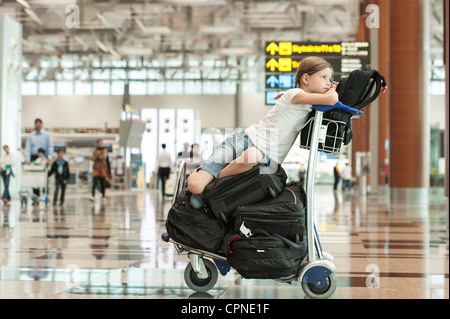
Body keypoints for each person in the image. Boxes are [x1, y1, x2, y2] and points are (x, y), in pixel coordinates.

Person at [187, 56, 339, 207]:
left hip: (265, 160)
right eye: (324, 77)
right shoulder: (295, 94)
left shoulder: (306, 103)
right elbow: (332, 99)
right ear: (306, 78)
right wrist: (333, 89)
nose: (328, 82)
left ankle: (212, 185)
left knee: (252, 155)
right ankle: (201, 182)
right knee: (195, 185)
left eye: (330, 79)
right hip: (244, 139)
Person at [25, 118, 53, 200]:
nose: (37, 125)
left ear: (41, 124)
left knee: (44, 176)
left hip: (44, 158)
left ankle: (45, 194)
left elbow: (50, 146)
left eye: (39, 123)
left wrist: (49, 157)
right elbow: (28, 148)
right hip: (34, 157)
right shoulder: (31, 135)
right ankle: (36, 196)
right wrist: (28, 159)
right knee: (35, 177)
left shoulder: (46, 134)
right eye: (36, 124)